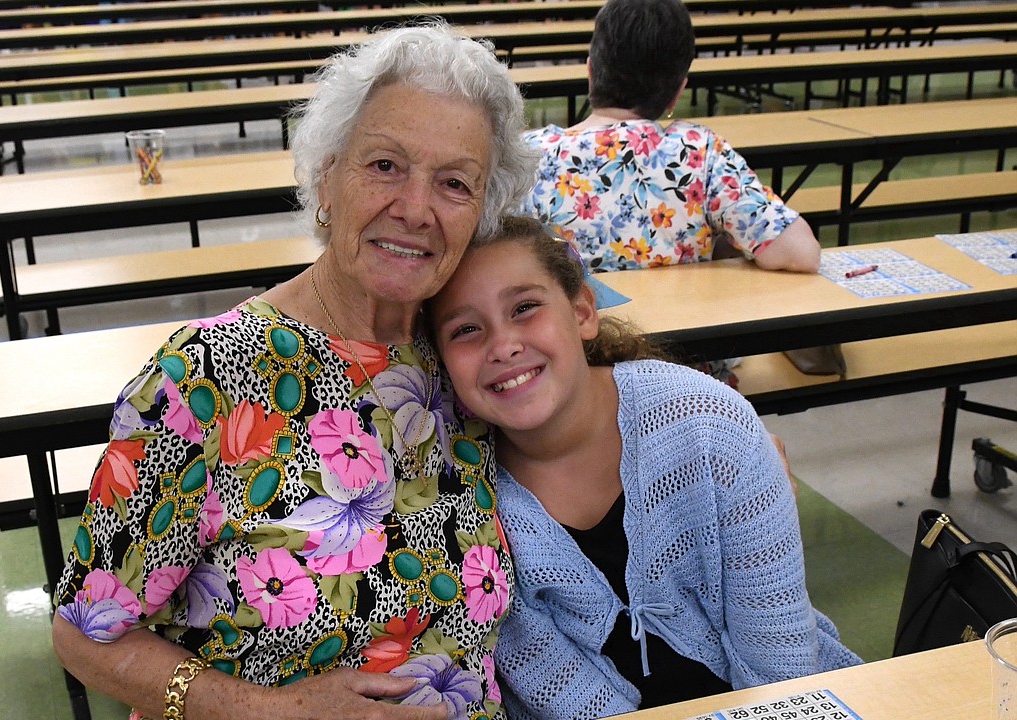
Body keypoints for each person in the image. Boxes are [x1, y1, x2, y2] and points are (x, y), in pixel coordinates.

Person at [50, 23, 538, 720]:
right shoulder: (205, 379)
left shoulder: (466, 359)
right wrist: (268, 710)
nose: (414, 208)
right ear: (325, 178)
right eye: (384, 166)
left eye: (454, 183)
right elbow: (83, 634)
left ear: (481, 216)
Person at [428, 216, 861, 720]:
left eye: (525, 308)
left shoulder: (708, 424)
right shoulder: (461, 491)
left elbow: (780, 660)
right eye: (465, 330)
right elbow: (549, 680)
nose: (503, 345)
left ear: (582, 311)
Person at [523, 0, 822, 275]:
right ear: (678, 92)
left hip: (569, 331)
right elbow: (800, 252)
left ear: (590, 71)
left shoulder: (528, 156)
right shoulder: (699, 151)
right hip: (678, 331)